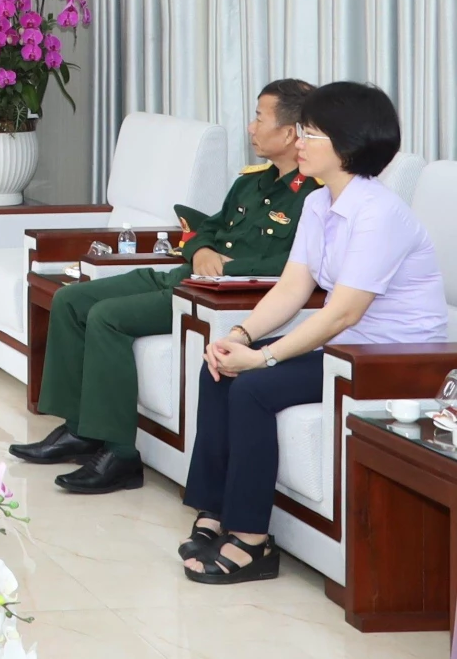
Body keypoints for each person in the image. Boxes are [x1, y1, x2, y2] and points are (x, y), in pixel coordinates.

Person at [179, 82, 446, 584]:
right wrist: (240, 335)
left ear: (346, 145)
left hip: (395, 362)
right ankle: (215, 513)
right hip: (348, 352)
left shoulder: (379, 213)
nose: (298, 142)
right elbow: (293, 287)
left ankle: (252, 543)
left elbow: (342, 313)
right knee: (219, 366)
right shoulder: (320, 203)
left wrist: (263, 359)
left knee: (253, 386)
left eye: (310, 133)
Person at [11, 79, 319, 493]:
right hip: (183, 276)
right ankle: (80, 429)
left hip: (213, 297)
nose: (251, 127)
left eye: (260, 119)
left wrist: (227, 267)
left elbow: (296, 267)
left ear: (290, 132)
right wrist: (202, 250)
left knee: (107, 317)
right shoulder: (250, 182)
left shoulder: (312, 197)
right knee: (71, 299)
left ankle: (120, 455)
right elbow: (205, 227)